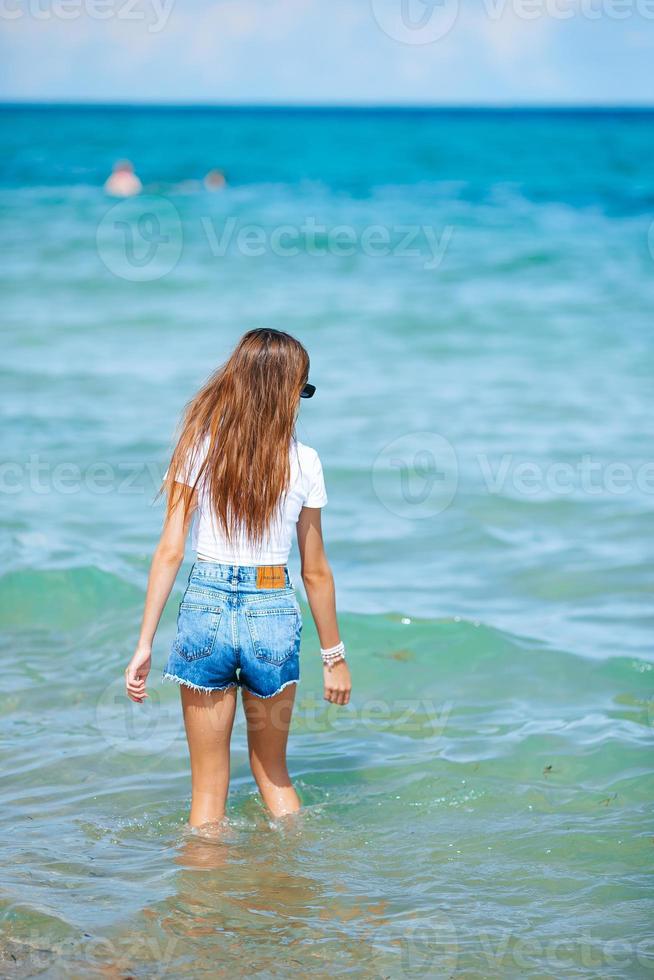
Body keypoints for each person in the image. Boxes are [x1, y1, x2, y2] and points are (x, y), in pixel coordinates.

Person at [124, 329, 351, 828]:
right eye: (303, 390)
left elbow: (170, 552)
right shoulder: (305, 462)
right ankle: (298, 883)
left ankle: (201, 905)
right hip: (272, 609)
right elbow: (315, 571)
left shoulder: (197, 446)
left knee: (207, 792)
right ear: (287, 390)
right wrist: (334, 658)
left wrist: (143, 645)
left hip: (204, 607)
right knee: (273, 774)